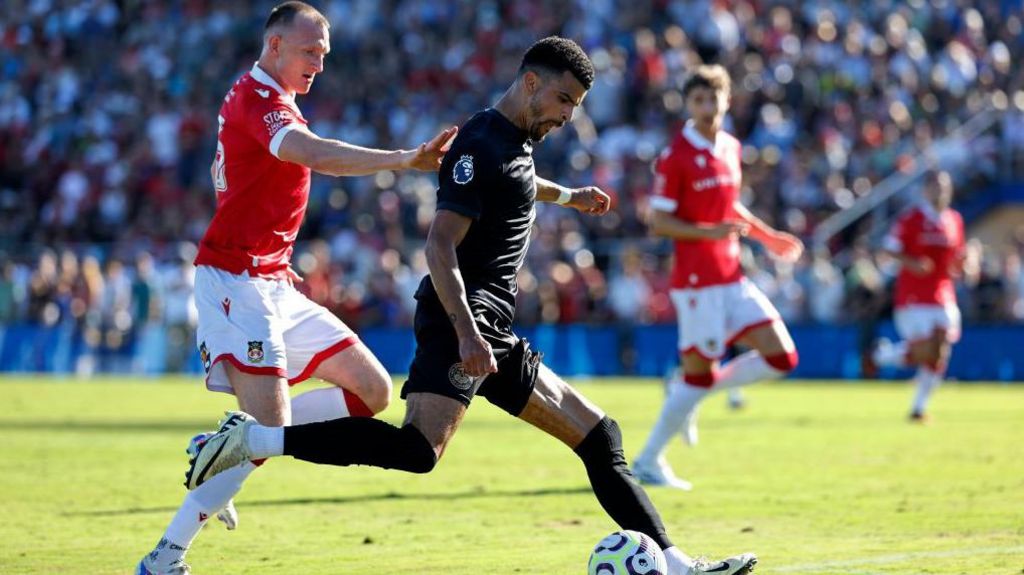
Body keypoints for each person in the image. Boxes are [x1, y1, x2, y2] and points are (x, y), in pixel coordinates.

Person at [183, 37, 757, 575]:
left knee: (600, 437)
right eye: (563, 99)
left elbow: (518, 181)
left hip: (492, 327)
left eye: (577, 104)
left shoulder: (515, 142)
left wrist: (568, 196)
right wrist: (465, 331)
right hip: (464, 320)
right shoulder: (479, 144)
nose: (569, 115)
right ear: (531, 83)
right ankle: (252, 439)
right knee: (416, 451)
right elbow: (439, 244)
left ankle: (679, 565)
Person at [136, 3, 457, 574]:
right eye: (310, 51)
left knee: (372, 390)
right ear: (275, 45)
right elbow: (313, 155)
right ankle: (167, 554)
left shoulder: (272, 102)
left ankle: (233, 441)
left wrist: (276, 257)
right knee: (271, 433)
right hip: (235, 282)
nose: (319, 64)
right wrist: (405, 159)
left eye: (325, 55)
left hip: (270, 279)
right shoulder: (257, 100)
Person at [631, 65, 802, 490]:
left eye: (713, 99)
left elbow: (731, 208)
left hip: (731, 275)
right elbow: (660, 222)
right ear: (688, 105)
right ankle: (649, 460)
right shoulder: (676, 157)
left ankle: (686, 391)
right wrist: (706, 232)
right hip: (696, 282)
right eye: (698, 100)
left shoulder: (729, 147)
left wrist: (768, 237)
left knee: (783, 356)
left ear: (727, 101)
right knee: (700, 375)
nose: (707, 107)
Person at [870, 170, 965, 422]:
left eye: (944, 187)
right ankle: (883, 356)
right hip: (913, 294)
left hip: (944, 292)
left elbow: (956, 258)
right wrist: (912, 262)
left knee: (940, 351)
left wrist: (966, 264)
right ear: (925, 190)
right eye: (935, 187)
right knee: (928, 350)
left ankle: (918, 407)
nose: (940, 192)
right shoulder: (911, 219)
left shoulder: (954, 220)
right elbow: (889, 249)